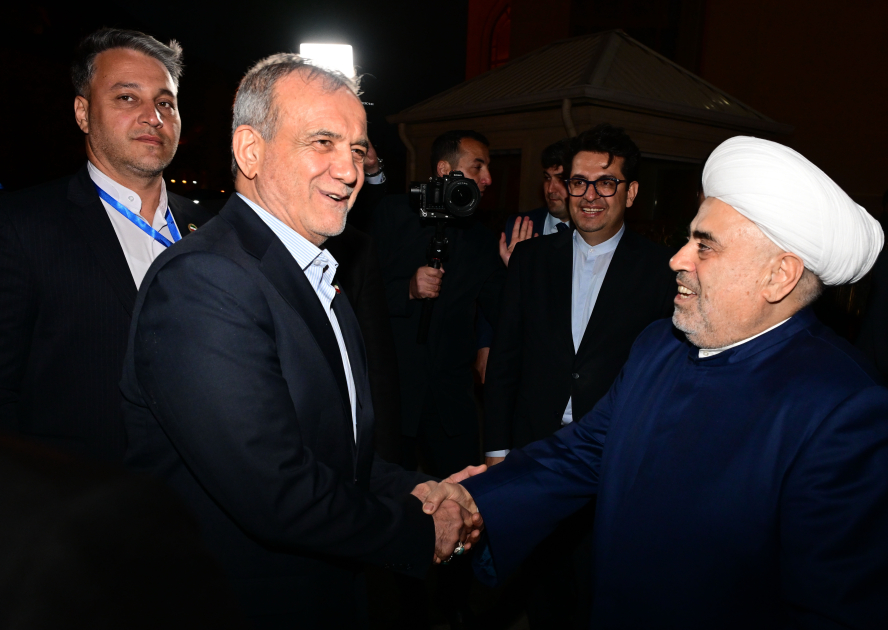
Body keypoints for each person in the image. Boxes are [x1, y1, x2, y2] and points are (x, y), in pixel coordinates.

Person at [421, 136, 888, 629]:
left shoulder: (844, 409)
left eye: (704, 246)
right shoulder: (659, 346)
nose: (678, 259)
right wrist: (479, 499)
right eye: (689, 239)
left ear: (779, 277)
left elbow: (833, 607)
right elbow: (582, 452)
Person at [120, 53, 481, 629]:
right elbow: (277, 491)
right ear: (250, 151)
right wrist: (420, 528)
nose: (349, 171)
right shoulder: (203, 281)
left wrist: (420, 488)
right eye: (322, 142)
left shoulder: (317, 274)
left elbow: (339, 458)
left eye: (357, 149)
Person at [480, 124, 675, 628]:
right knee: (540, 590)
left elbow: (667, 379)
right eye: (579, 182)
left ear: (631, 191)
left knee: (601, 592)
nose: (590, 195)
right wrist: (497, 453)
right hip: (534, 453)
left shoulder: (662, 271)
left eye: (606, 182)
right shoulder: (530, 259)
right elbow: (504, 363)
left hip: (613, 459)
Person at [0, 28, 214, 463]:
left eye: (165, 103)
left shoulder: (214, 229)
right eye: (127, 98)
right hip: (82, 491)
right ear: (83, 113)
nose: (153, 117)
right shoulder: (21, 225)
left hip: (207, 491)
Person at [373, 130, 508, 479]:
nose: (488, 178)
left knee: (465, 493)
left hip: (451, 402)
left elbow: (504, 311)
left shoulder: (483, 240)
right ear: (445, 170)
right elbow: (357, 291)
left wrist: (516, 270)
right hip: (393, 394)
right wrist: (407, 289)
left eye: (488, 168)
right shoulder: (394, 214)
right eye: (478, 167)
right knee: (392, 496)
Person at [503, 138, 572, 244]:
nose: (550, 189)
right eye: (547, 178)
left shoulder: (594, 229)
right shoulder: (519, 226)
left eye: (561, 179)